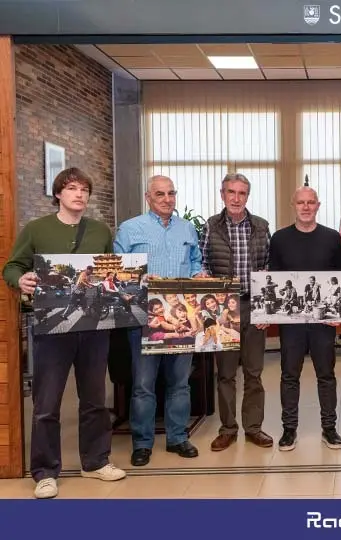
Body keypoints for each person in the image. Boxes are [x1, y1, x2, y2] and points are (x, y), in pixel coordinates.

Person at [2, 167, 126, 499]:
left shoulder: (100, 230)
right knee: (47, 403)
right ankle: (44, 471)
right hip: (51, 327)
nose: (79, 195)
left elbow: (108, 272)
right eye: (72, 188)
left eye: (84, 189)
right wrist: (21, 280)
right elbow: (12, 266)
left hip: (95, 327)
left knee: (95, 399)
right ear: (58, 193)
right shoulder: (37, 229)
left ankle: (96, 461)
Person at [114, 175, 204, 467]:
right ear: (148, 197)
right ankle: (142, 443)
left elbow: (195, 263)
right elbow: (116, 272)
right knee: (143, 384)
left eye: (171, 193)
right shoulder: (130, 229)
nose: (167, 199)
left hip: (180, 316)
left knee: (179, 383)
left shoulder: (187, 229)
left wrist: (199, 274)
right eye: (160, 194)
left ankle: (178, 438)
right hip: (144, 318)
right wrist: (138, 278)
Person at [199, 172, 274, 452]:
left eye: (242, 193)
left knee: (254, 372)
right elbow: (202, 262)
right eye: (231, 192)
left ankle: (254, 428)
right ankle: (228, 428)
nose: (236, 198)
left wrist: (265, 308)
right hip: (222, 308)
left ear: (247, 196)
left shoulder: (261, 226)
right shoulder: (211, 226)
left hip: (253, 305)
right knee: (226, 373)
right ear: (222, 194)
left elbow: (270, 268)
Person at [269, 186, 341, 451]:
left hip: (323, 322)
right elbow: (275, 279)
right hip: (291, 323)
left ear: (318, 205)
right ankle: (289, 430)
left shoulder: (333, 238)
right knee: (289, 375)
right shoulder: (279, 239)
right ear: (293, 204)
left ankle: (329, 429)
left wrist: (339, 311)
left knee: (326, 375)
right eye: (300, 202)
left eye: (310, 202)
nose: (305, 207)